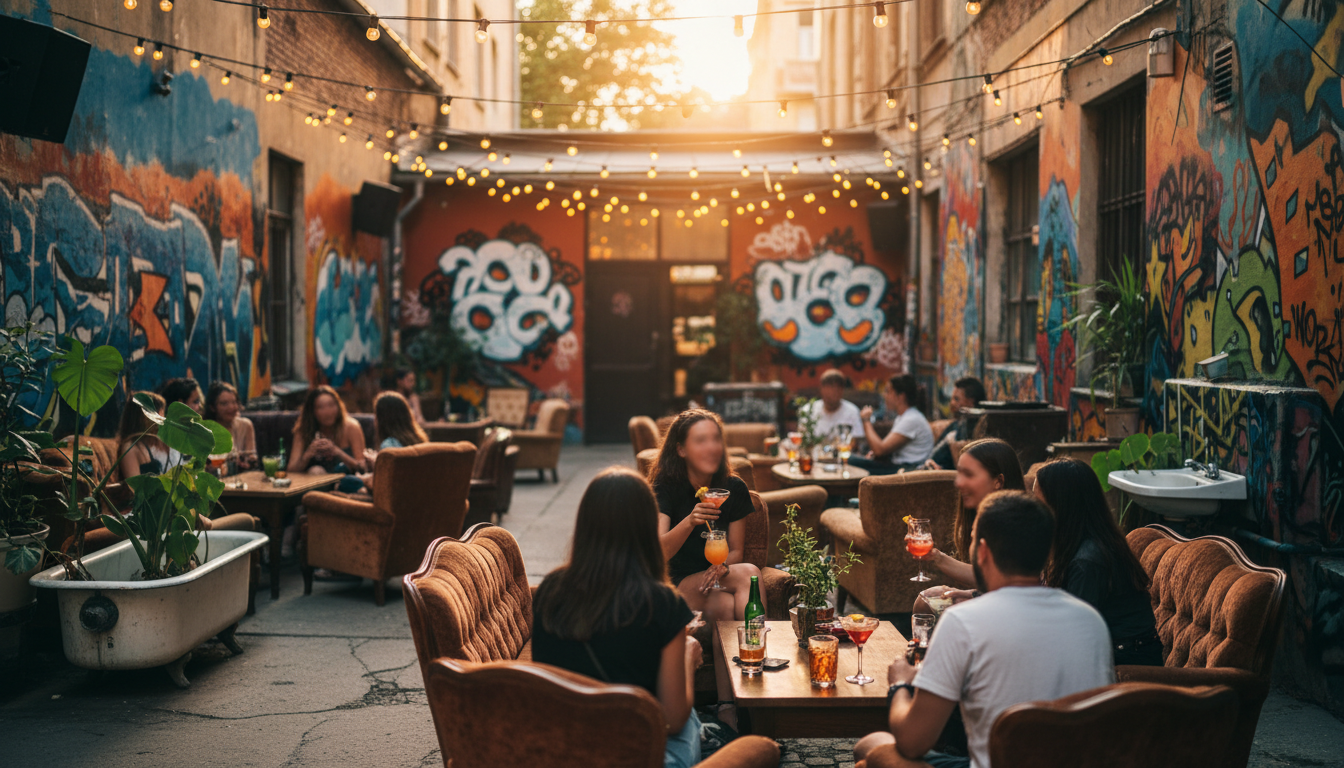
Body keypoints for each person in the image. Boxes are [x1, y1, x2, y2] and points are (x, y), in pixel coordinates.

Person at [854, 491, 1115, 768]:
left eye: (971, 539)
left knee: (869, 746)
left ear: (982, 551)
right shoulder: (1091, 621)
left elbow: (912, 742)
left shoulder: (962, 621)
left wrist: (901, 684)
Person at [532, 467, 704, 768]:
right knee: (690, 720)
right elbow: (673, 720)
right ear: (646, 527)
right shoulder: (663, 603)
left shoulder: (550, 590)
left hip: (566, 750)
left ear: (585, 524)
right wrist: (687, 656)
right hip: (636, 755)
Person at [1034, 458, 1162, 666]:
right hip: (1109, 655)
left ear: (1062, 506)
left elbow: (1071, 637)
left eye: (1039, 503)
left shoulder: (1087, 561)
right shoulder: (1077, 544)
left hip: (1128, 668)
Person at [648, 409, 762, 624]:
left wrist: (722, 567)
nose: (712, 447)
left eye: (716, 439)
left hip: (719, 579)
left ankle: (739, 657)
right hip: (677, 583)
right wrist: (690, 521)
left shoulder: (734, 488)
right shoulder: (665, 487)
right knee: (750, 574)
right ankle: (760, 649)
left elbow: (737, 550)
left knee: (725, 608)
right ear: (681, 449)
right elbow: (658, 552)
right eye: (701, 441)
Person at [914, 439, 1024, 612]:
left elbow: (999, 580)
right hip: (990, 595)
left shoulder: (1017, 520)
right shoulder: (981, 514)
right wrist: (934, 555)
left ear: (998, 482)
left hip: (1012, 605)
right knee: (926, 600)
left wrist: (937, 558)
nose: (958, 482)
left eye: (969, 475)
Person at [851, 374, 935, 474]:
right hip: (898, 467)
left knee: (850, 461)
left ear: (900, 396)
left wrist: (866, 420)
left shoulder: (912, 419)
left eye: (888, 391)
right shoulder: (903, 417)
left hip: (909, 470)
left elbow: (879, 449)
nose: (884, 395)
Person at [288, 384, 367, 475]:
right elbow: (291, 470)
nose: (328, 412)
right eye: (320, 407)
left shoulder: (351, 426)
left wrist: (338, 452)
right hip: (315, 483)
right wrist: (308, 454)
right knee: (315, 471)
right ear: (312, 411)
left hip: (346, 481)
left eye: (331, 405)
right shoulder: (303, 429)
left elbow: (363, 468)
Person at [923, 377, 986, 470]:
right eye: (951, 398)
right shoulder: (957, 424)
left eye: (956, 399)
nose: (952, 403)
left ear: (971, 402)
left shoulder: (972, 428)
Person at [117, 391, 182, 479]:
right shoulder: (131, 448)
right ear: (147, 416)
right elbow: (134, 488)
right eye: (161, 413)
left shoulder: (161, 443)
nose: (164, 418)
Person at [803, 369, 866, 443]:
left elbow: (857, 439)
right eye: (830, 386)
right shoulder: (808, 410)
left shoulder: (852, 411)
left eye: (839, 386)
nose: (835, 390)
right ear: (822, 389)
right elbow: (803, 438)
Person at [204, 381, 257, 470]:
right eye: (224, 404)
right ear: (212, 407)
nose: (231, 407)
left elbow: (251, 457)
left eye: (234, 402)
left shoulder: (246, 425)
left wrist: (248, 461)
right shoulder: (204, 430)